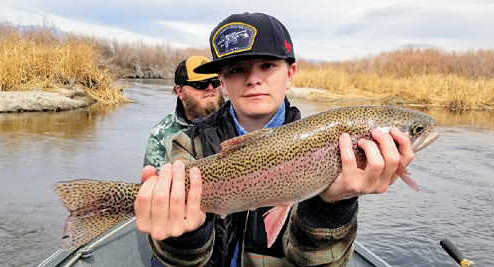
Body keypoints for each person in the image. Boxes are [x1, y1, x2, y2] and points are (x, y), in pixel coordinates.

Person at [135, 12, 415, 267]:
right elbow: (175, 262)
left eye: (267, 65)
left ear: (290, 73)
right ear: (222, 80)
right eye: (236, 69)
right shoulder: (189, 144)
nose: (253, 79)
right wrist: (186, 234)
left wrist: (332, 207)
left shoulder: (330, 145)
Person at [143, 56, 225, 169]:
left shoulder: (241, 119)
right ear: (180, 91)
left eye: (215, 82)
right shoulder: (160, 134)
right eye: (200, 84)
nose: (210, 88)